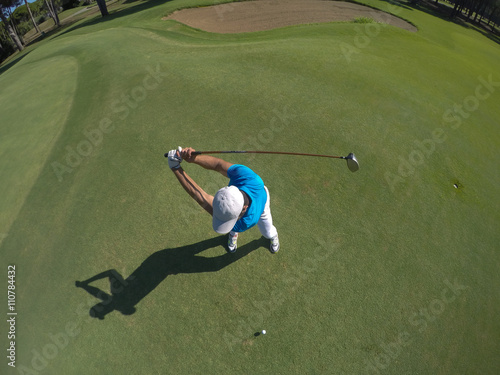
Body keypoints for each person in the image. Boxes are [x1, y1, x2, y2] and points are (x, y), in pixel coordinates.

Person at [167, 147, 279, 254]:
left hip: (263, 205)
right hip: (247, 204)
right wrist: (194, 158)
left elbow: (200, 197)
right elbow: (218, 165)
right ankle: (233, 232)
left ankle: (273, 235)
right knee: (231, 222)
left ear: (244, 209)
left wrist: (175, 168)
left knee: (267, 231)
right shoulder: (244, 175)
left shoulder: (248, 220)